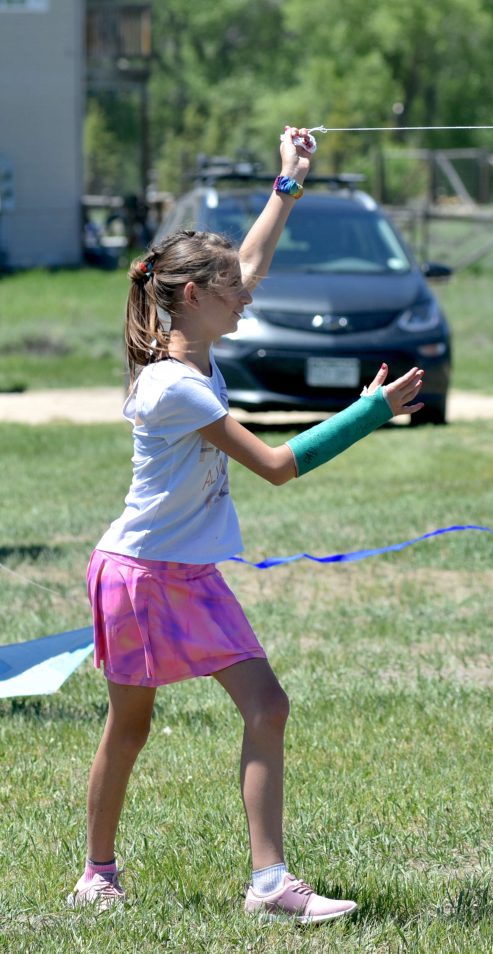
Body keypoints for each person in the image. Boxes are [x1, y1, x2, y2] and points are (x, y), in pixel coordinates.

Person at [70, 126, 424, 924]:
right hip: (141, 576)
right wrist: (368, 414)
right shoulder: (176, 388)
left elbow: (250, 263)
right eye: (233, 290)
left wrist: (288, 182)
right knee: (131, 728)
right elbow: (274, 467)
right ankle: (98, 873)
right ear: (195, 297)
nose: (250, 294)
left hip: (174, 573)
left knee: (266, 707)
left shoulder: (189, 346)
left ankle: (270, 885)